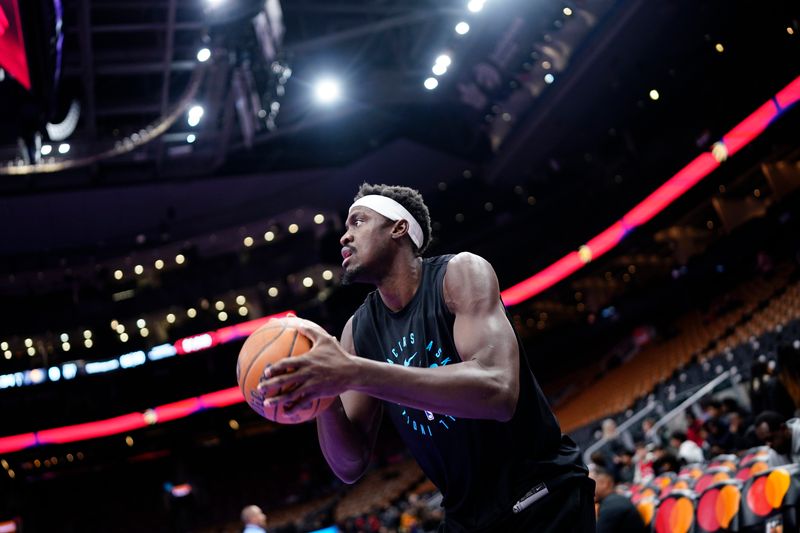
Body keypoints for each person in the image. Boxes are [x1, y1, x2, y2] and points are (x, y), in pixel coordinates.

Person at [259, 184, 595, 532]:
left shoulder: (460, 274)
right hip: (465, 518)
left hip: (537, 499)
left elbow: (498, 392)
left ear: (399, 228)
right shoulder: (358, 331)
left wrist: (353, 372)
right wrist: (324, 400)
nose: (344, 237)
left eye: (357, 222)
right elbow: (349, 466)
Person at [589, 466, 647, 533]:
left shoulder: (611, 506)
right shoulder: (613, 501)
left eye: (590, 483)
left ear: (605, 483)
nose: (586, 488)